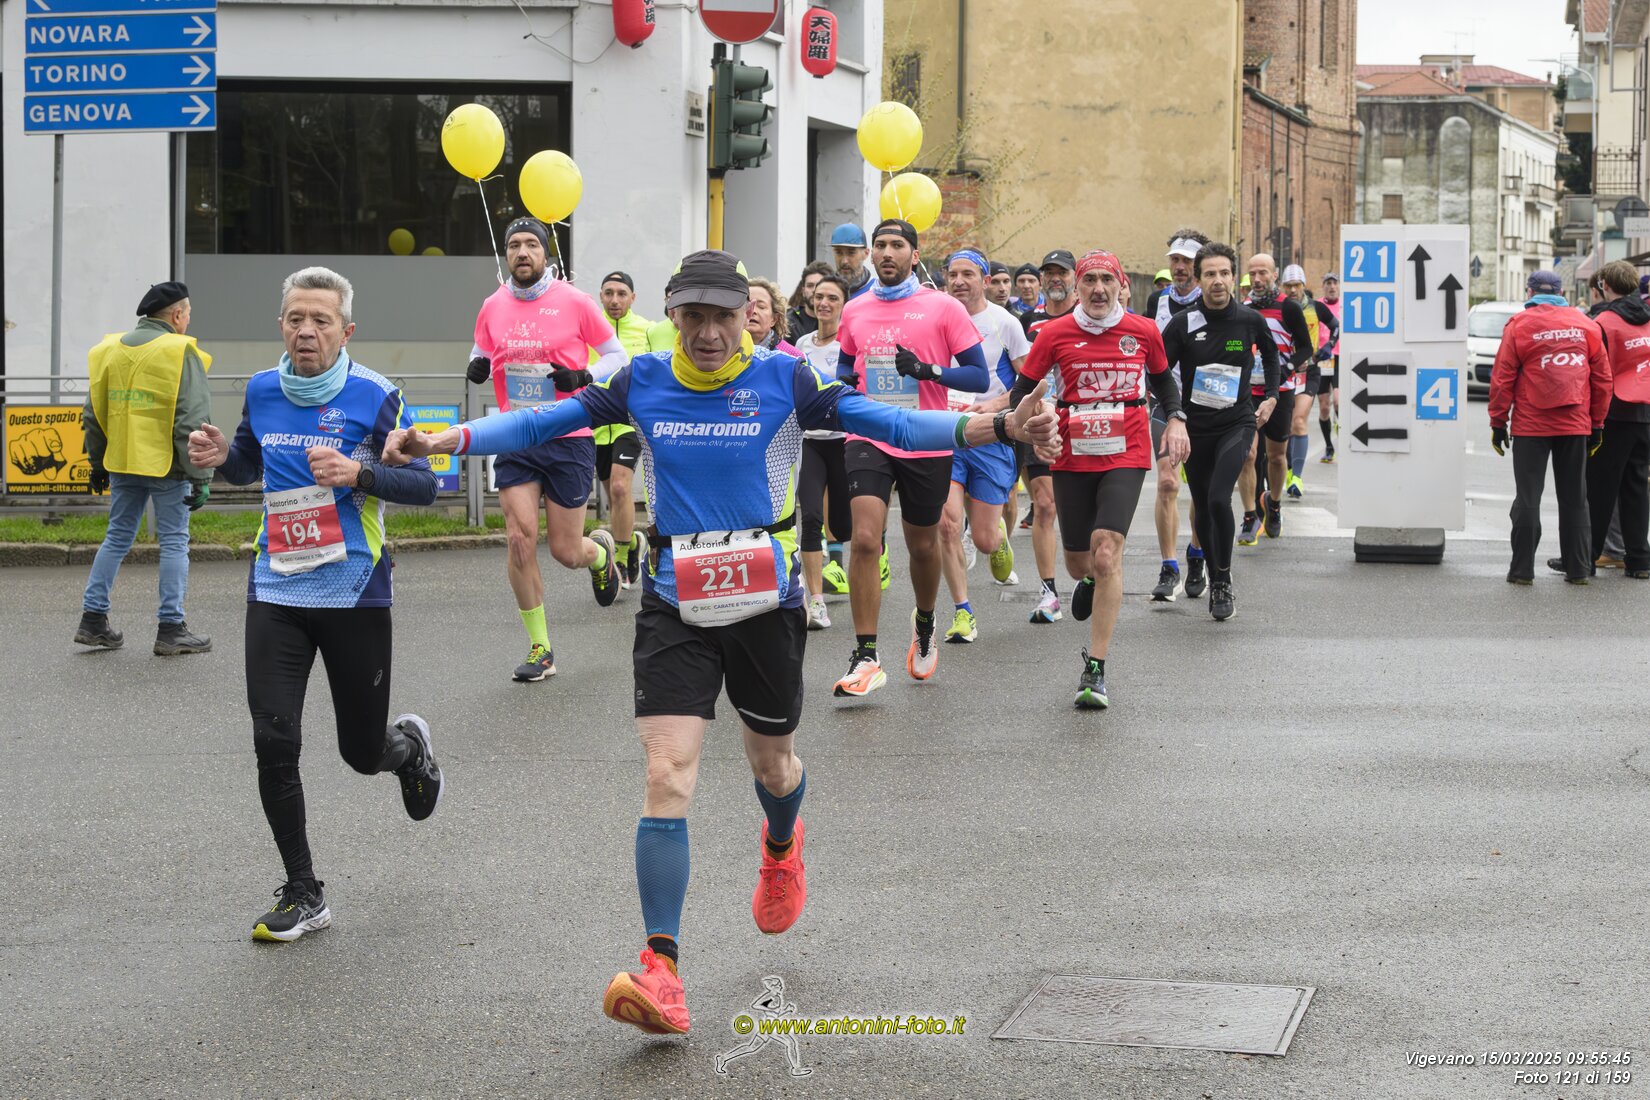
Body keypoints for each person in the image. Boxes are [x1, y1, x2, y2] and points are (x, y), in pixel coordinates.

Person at [384, 249, 1057, 1036]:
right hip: (674, 597)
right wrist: (447, 440)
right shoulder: (640, 380)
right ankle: (662, 969)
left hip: (764, 600)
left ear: (748, 316)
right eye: (693, 317)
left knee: (773, 765)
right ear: (673, 317)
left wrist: (997, 425)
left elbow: (895, 421)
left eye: (723, 317)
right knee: (666, 772)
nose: (708, 333)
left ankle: (782, 841)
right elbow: (539, 421)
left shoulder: (786, 378)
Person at [186, 265, 443, 942]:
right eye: (296, 318)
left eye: (320, 320)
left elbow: (425, 485)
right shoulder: (262, 389)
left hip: (355, 589)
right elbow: (249, 463)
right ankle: (304, 891)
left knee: (360, 751)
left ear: (346, 331)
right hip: (275, 584)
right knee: (273, 739)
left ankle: (407, 751)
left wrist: (360, 472)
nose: (306, 330)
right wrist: (221, 456)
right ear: (281, 325)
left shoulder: (378, 396)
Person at [1009, 249, 1188, 708]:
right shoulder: (1054, 333)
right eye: (1089, 280)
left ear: (1121, 285)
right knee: (1079, 564)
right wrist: (1035, 423)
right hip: (1071, 451)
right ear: (1077, 287)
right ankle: (1087, 580)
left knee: (1106, 551)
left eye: (1107, 279)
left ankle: (1096, 668)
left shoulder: (1142, 331)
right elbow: (1021, 393)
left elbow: (1164, 382)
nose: (1098, 289)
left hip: (1126, 448)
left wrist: (1176, 419)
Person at [831, 220, 993, 697]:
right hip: (869, 435)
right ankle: (866, 654)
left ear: (914, 255)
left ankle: (925, 621)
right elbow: (844, 366)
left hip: (925, 436)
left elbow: (979, 377)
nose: (886, 252)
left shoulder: (943, 306)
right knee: (865, 539)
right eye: (879, 245)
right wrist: (843, 386)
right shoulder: (855, 309)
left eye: (897, 245)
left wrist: (928, 371)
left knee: (923, 546)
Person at [465, 217, 627, 683]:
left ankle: (600, 555)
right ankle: (541, 648)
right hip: (515, 434)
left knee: (565, 551)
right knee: (518, 538)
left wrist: (584, 376)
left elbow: (618, 356)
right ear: (506, 254)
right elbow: (479, 350)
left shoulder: (575, 301)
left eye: (531, 244)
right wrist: (476, 366)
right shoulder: (493, 304)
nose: (522, 252)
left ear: (545, 252)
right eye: (514, 245)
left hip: (567, 435)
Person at [75, 281, 214, 656]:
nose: (188, 321)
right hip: (166, 464)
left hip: (122, 460)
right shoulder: (179, 350)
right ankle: (171, 628)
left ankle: (92, 620)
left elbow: (93, 413)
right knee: (174, 541)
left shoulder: (108, 349)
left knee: (117, 537)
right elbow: (192, 418)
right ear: (177, 314)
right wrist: (200, 474)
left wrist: (97, 463)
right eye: (188, 314)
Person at [1160, 244, 1280, 620]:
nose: (1217, 281)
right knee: (1202, 505)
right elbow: (1159, 372)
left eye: (1224, 273)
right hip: (1196, 428)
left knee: (1216, 499)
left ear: (1233, 277)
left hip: (1236, 422)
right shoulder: (1183, 324)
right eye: (1210, 274)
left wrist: (1272, 396)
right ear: (1199, 280)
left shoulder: (1248, 320)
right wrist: (1174, 414)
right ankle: (1208, 568)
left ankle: (1223, 579)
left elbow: (1272, 355)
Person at [1489, 270, 1611, 583]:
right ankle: (1578, 569)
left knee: (1528, 497)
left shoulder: (1519, 325)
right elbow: (1602, 379)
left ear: (1529, 292)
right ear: (1561, 293)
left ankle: (1522, 570)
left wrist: (1498, 422)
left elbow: (1502, 377)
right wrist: (1597, 423)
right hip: (1575, 423)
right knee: (1575, 498)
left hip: (1531, 425)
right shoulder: (1586, 325)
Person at [938, 250, 1027, 643]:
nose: (959, 281)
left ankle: (997, 537)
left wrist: (994, 405)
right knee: (947, 523)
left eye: (968, 274)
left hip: (989, 433)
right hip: (944, 432)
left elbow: (1030, 380)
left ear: (986, 280)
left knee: (986, 540)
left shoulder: (1004, 322)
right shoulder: (935, 317)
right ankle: (963, 611)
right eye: (953, 274)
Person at [1141, 229, 1210, 602]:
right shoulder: (1158, 300)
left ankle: (1197, 552)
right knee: (1168, 482)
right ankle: (1169, 567)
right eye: (1175, 260)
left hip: (1204, 405)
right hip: (1165, 402)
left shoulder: (1212, 301)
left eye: (1186, 261)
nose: (1179, 267)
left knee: (1200, 486)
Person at [1017, 249, 1078, 623]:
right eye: (1049, 272)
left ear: (1074, 278)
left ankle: (1089, 575)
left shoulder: (1087, 319)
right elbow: (1016, 376)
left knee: (1079, 507)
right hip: (1039, 422)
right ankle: (1049, 593)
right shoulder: (1026, 322)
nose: (1056, 278)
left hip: (1081, 423)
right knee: (1044, 504)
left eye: (1063, 272)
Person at [1580, 260, 1650, 579]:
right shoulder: (1647, 317)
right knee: (1636, 488)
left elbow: (1595, 372)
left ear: (1605, 286)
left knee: (1600, 489)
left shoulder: (1604, 321)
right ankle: (1639, 560)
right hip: (1645, 413)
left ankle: (1587, 557)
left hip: (1614, 413)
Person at [1237, 253, 1312, 543]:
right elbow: (1235, 344)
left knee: (1278, 456)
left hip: (1280, 391)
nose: (1257, 279)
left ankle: (1274, 504)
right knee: (1248, 454)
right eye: (1253, 273)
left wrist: (1285, 370)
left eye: (1263, 273)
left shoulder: (1288, 307)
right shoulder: (1242, 308)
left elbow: (1305, 348)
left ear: (1274, 275)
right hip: (1248, 393)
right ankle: (1249, 515)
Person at [794, 273, 854, 626]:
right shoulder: (802, 344)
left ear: (844, 305)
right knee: (811, 517)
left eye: (832, 298)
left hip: (844, 442)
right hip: (811, 442)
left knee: (843, 525)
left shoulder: (849, 343)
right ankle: (816, 601)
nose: (824, 303)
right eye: (819, 297)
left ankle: (843, 563)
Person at [595, 271, 653, 588]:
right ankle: (632, 542)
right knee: (613, 494)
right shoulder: (590, 328)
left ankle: (618, 560)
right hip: (596, 424)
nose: (614, 300)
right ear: (600, 296)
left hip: (629, 421)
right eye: (608, 293)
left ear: (633, 297)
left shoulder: (646, 329)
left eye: (621, 293)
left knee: (620, 487)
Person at [1279, 264, 1339, 499]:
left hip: (1309, 371)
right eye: (1288, 286)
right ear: (1282, 286)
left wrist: (1328, 346)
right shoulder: (1279, 309)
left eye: (1297, 285)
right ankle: (1288, 470)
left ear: (1304, 285)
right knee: (1285, 426)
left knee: (1299, 420)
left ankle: (1297, 478)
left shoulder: (1316, 308)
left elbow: (1336, 327)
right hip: (1285, 372)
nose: (1293, 290)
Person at [1316, 273, 1342, 463]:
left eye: (1334, 283)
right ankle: (1329, 446)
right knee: (1324, 408)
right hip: (1322, 359)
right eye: (1328, 283)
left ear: (1339, 286)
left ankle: (1344, 435)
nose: (1332, 287)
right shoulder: (1317, 306)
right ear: (1323, 286)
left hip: (1340, 357)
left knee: (1338, 402)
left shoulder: (1345, 305)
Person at [747, 277, 801, 355]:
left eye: (761, 307)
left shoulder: (793, 356)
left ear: (774, 319)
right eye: (747, 305)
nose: (753, 311)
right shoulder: (728, 352)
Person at [786, 261, 832, 341]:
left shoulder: (840, 321)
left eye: (819, 285)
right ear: (803, 291)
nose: (814, 290)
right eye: (810, 286)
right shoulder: (788, 323)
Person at [830, 223, 874, 299]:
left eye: (851, 253)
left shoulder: (876, 290)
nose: (844, 261)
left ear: (866, 253)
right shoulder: (825, 289)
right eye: (838, 252)